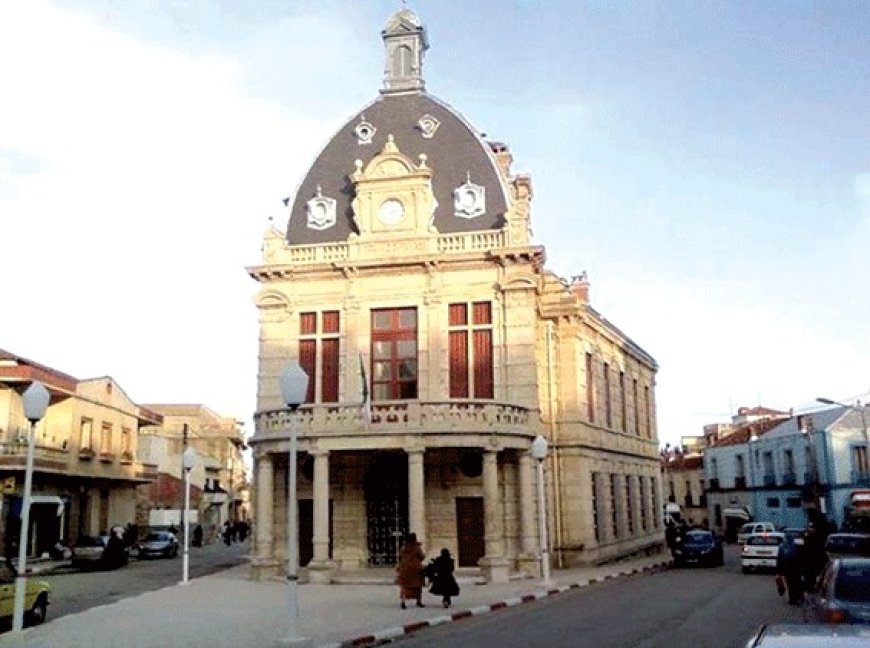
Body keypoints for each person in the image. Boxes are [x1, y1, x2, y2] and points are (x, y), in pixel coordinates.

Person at [396, 532, 425, 609]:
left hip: (405, 568)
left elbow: (400, 557)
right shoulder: (417, 547)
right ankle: (419, 601)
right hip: (416, 569)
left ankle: (403, 602)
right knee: (418, 585)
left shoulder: (403, 547)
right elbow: (421, 557)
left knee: (404, 586)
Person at [776, 535, 805, 605]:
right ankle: (799, 596)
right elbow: (801, 557)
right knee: (797, 582)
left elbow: (779, 559)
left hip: (788, 568)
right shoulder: (796, 546)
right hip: (796, 567)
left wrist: (779, 571)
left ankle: (793, 599)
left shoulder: (782, 546)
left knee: (790, 583)